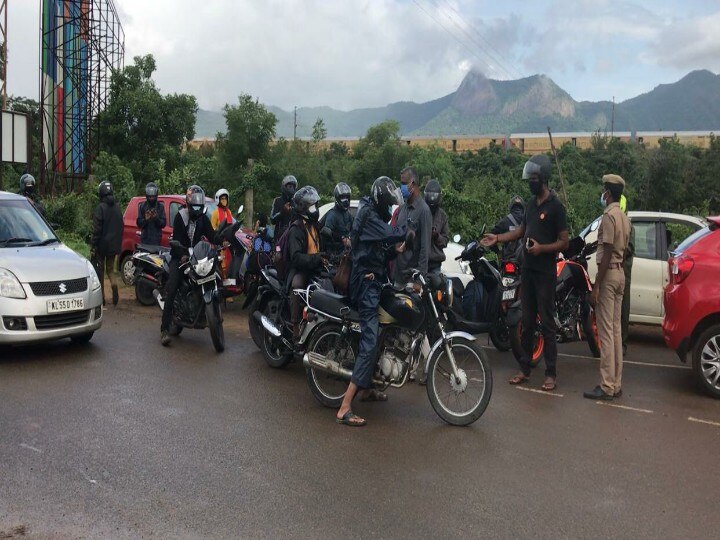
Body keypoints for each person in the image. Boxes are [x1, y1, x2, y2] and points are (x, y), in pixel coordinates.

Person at [482, 154, 569, 391]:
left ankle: (550, 373)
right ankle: (525, 368)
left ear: (543, 178)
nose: (530, 181)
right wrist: (497, 237)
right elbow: (521, 231)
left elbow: (564, 242)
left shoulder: (556, 207)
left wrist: (542, 249)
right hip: (527, 271)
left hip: (546, 273)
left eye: (533, 177)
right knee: (527, 321)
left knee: (547, 322)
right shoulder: (531, 204)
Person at [336, 176, 409, 427]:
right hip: (364, 284)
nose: (390, 210)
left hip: (375, 278)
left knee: (384, 331)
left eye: (393, 207)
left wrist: (393, 250)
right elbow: (394, 232)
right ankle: (345, 406)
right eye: (388, 206)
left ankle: (366, 389)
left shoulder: (372, 212)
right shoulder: (368, 215)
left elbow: (377, 247)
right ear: (380, 201)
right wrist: (407, 217)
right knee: (369, 340)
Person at [584, 175, 631, 400]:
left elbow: (608, 248)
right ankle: (616, 384)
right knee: (616, 331)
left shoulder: (609, 217)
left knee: (605, 332)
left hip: (609, 274)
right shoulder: (624, 217)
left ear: (608, 193)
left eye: (604, 190)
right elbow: (625, 249)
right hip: (621, 273)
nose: (602, 194)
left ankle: (606, 385)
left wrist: (597, 285)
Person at [160, 185, 223, 346]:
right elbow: (177, 240)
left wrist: (222, 237)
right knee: (172, 288)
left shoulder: (203, 219)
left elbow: (212, 235)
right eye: (194, 203)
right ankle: (164, 330)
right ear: (188, 203)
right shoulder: (180, 217)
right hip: (179, 256)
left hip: (197, 257)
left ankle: (203, 312)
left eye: (199, 203)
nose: (196, 206)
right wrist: (181, 256)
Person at [286, 186, 324, 342]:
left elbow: (322, 248)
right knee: (297, 286)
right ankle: (295, 326)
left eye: (316, 205)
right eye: (312, 206)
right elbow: (296, 258)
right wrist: (317, 258)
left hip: (315, 267)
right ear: (303, 208)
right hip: (301, 269)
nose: (315, 210)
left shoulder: (315, 225)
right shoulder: (297, 228)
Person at [392, 166, 432, 285]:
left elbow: (425, 249)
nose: (401, 187)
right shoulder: (402, 208)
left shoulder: (423, 210)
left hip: (411, 279)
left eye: (404, 183)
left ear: (413, 184)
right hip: (397, 275)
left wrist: (419, 281)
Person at [91, 181, 124, 306]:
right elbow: (121, 226)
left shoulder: (100, 208)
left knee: (100, 272)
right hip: (114, 245)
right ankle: (115, 288)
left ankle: (102, 298)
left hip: (101, 245)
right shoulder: (117, 207)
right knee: (111, 270)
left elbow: (96, 229)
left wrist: (93, 245)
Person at [320, 182, 353, 255]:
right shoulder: (332, 214)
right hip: (334, 253)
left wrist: (350, 237)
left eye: (347, 197)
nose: (346, 201)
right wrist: (342, 238)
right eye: (343, 198)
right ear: (337, 198)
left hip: (347, 252)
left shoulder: (348, 214)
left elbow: (354, 228)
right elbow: (326, 233)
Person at [619, 194, 635, 356]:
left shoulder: (628, 226)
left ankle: (622, 345)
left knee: (623, 310)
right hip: (614, 272)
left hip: (623, 272)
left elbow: (629, 249)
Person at [424, 179, 449, 274]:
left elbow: (445, 241)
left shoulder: (442, 216)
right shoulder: (419, 211)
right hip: (418, 261)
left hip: (435, 264)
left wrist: (436, 236)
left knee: (439, 285)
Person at [491, 195, 525, 261]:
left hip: (508, 259)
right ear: (523, 207)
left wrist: (497, 252)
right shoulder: (529, 220)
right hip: (525, 259)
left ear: (511, 207)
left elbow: (491, 236)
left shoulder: (505, 220)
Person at [270, 175, 298, 240]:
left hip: (292, 237)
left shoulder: (295, 202)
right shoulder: (277, 200)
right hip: (279, 237)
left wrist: (293, 211)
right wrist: (283, 212)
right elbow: (272, 219)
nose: (292, 189)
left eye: (293, 187)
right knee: (277, 249)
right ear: (284, 187)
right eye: (290, 186)